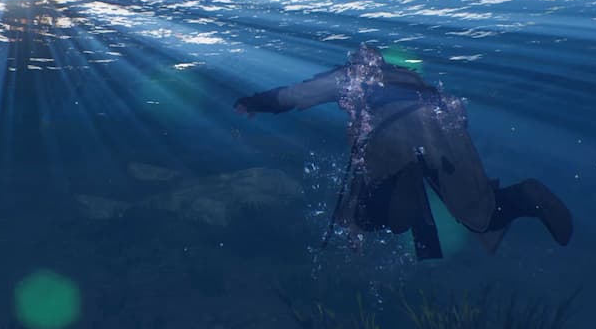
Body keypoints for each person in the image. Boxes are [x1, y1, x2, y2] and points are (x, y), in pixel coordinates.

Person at [234, 44, 573, 260]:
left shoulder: (350, 76)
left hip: (393, 133)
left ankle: (408, 178)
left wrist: (254, 102)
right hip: (442, 126)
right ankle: (526, 197)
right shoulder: (405, 77)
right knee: (479, 212)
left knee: (371, 216)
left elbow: (296, 95)